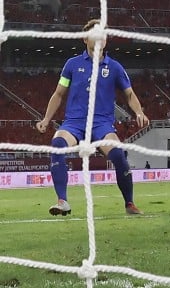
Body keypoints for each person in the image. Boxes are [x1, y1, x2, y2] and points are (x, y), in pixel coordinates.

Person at [35, 19, 149, 216]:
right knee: (57, 145)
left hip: (102, 124)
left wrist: (139, 112)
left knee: (119, 156)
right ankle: (62, 201)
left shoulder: (114, 67)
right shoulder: (71, 65)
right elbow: (59, 93)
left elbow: (129, 94)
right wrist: (46, 119)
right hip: (74, 123)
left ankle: (129, 203)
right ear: (85, 38)